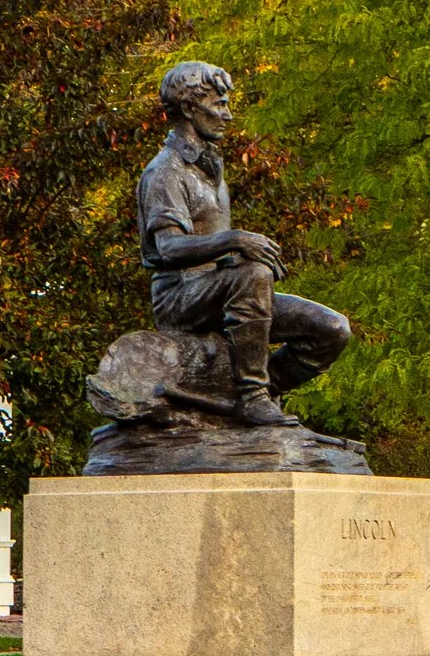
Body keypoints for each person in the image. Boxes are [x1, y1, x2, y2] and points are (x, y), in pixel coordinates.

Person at [138, 61, 350, 427]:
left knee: (331, 329)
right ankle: (251, 396)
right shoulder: (165, 171)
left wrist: (235, 253)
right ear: (189, 109)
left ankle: (257, 393)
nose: (228, 115)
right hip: (181, 299)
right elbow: (168, 249)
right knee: (252, 272)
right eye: (219, 105)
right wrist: (236, 241)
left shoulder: (207, 167)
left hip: (220, 291)